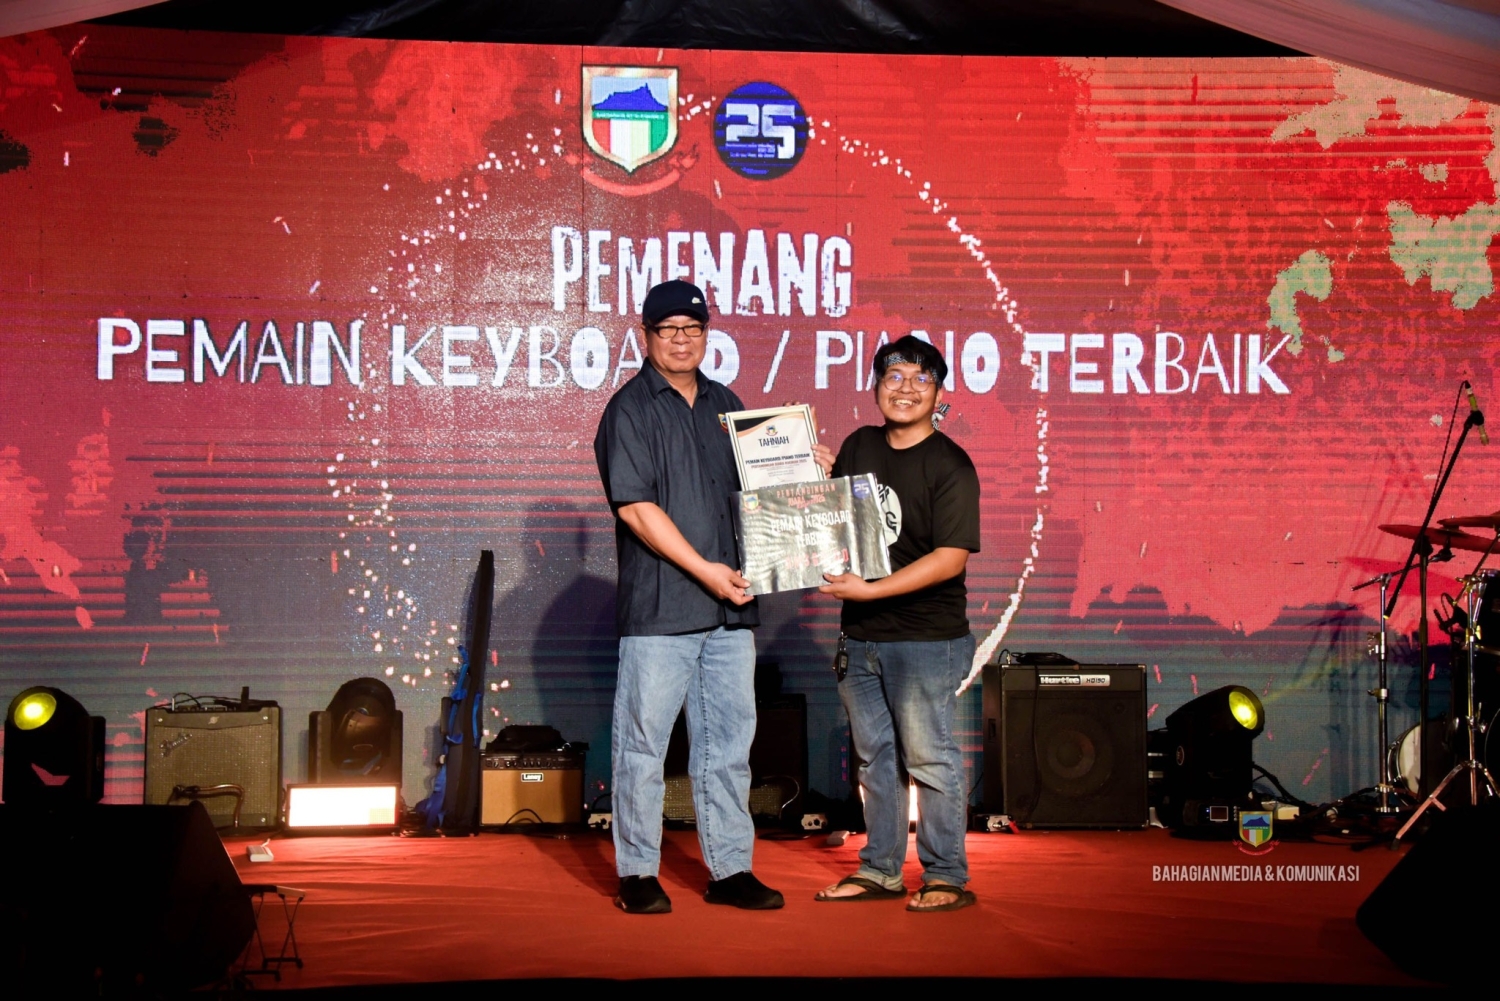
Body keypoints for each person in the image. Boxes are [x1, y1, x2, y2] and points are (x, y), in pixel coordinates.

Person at [593, 279, 790, 914]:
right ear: (645, 336)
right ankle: (637, 873)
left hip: (731, 609)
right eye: (668, 329)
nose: (682, 340)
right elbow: (636, 508)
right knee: (643, 746)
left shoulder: (727, 404)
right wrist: (706, 571)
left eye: (693, 328)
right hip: (662, 610)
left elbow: (760, 495)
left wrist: (806, 467)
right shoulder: (628, 410)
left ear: (707, 335)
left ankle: (730, 870)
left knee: (729, 748)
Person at [814, 334, 982, 912]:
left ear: (938, 393)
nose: (905, 389)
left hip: (926, 638)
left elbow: (949, 559)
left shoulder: (951, 464)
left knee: (929, 759)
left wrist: (871, 590)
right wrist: (808, 475)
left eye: (920, 379)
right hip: (861, 636)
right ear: (875, 387)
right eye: (893, 377)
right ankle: (880, 869)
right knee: (875, 760)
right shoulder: (859, 444)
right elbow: (840, 521)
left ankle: (946, 876)